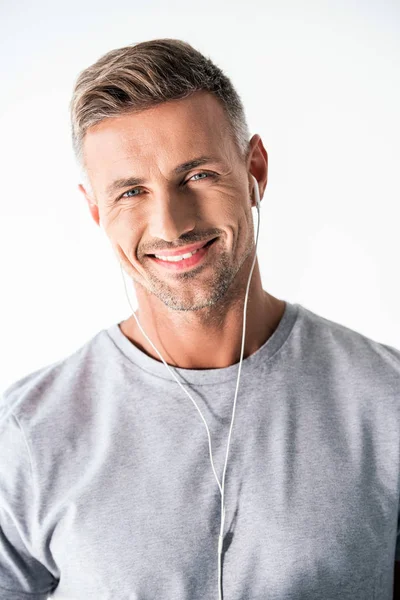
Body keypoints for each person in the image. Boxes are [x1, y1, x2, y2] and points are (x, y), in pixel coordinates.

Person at [0, 38, 399, 600]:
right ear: (96, 212)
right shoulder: (26, 436)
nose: (171, 224)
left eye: (197, 175)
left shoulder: (386, 401)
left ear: (255, 168)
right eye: (131, 191)